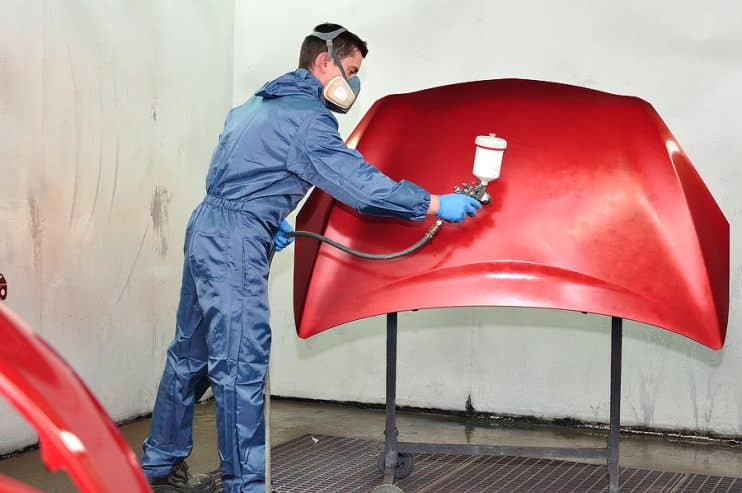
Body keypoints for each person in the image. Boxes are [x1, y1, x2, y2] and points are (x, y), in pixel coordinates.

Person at [140, 22, 482, 493]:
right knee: (240, 364)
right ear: (326, 62)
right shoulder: (308, 119)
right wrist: (434, 203)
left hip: (207, 228)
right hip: (236, 241)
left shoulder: (254, 106)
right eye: (353, 70)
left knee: (189, 355)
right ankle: (245, 486)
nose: (356, 84)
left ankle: (158, 465)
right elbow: (360, 187)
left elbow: (235, 173)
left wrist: (266, 214)